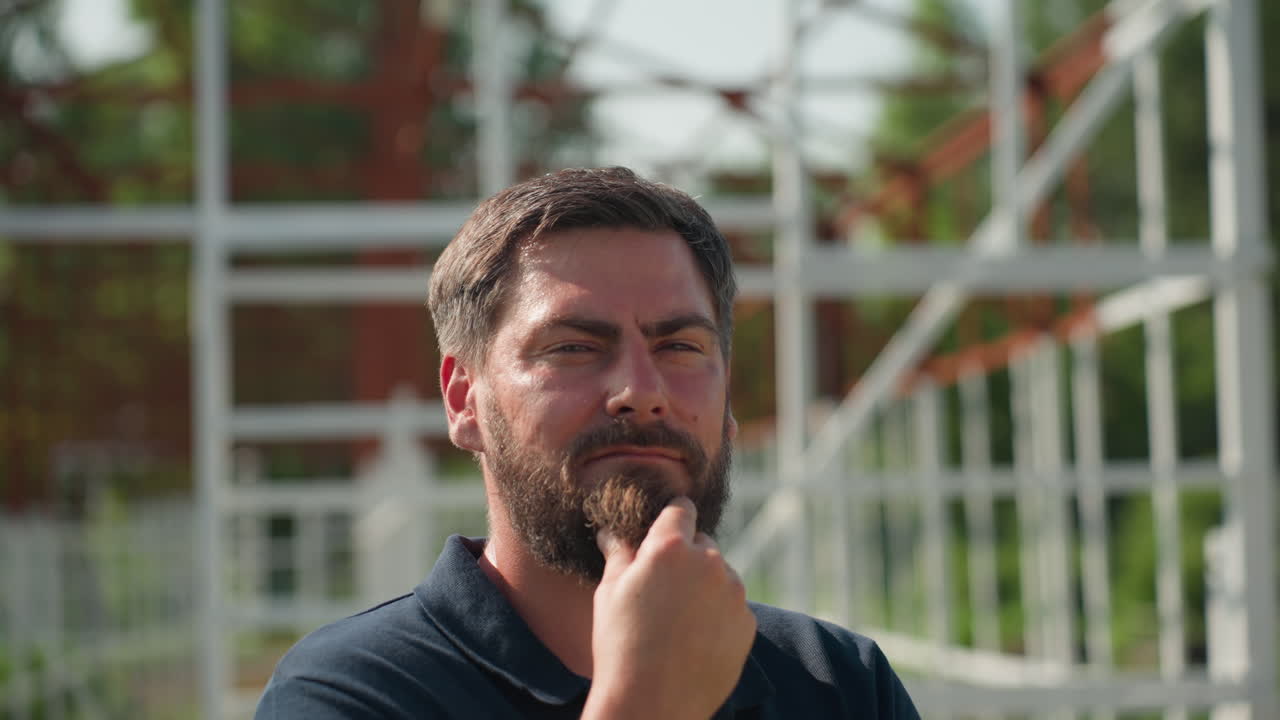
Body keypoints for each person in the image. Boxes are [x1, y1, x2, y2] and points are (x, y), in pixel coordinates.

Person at [256, 167, 920, 719]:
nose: (641, 388)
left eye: (681, 346)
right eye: (574, 347)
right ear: (464, 400)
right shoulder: (346, 696)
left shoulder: (841, 685)